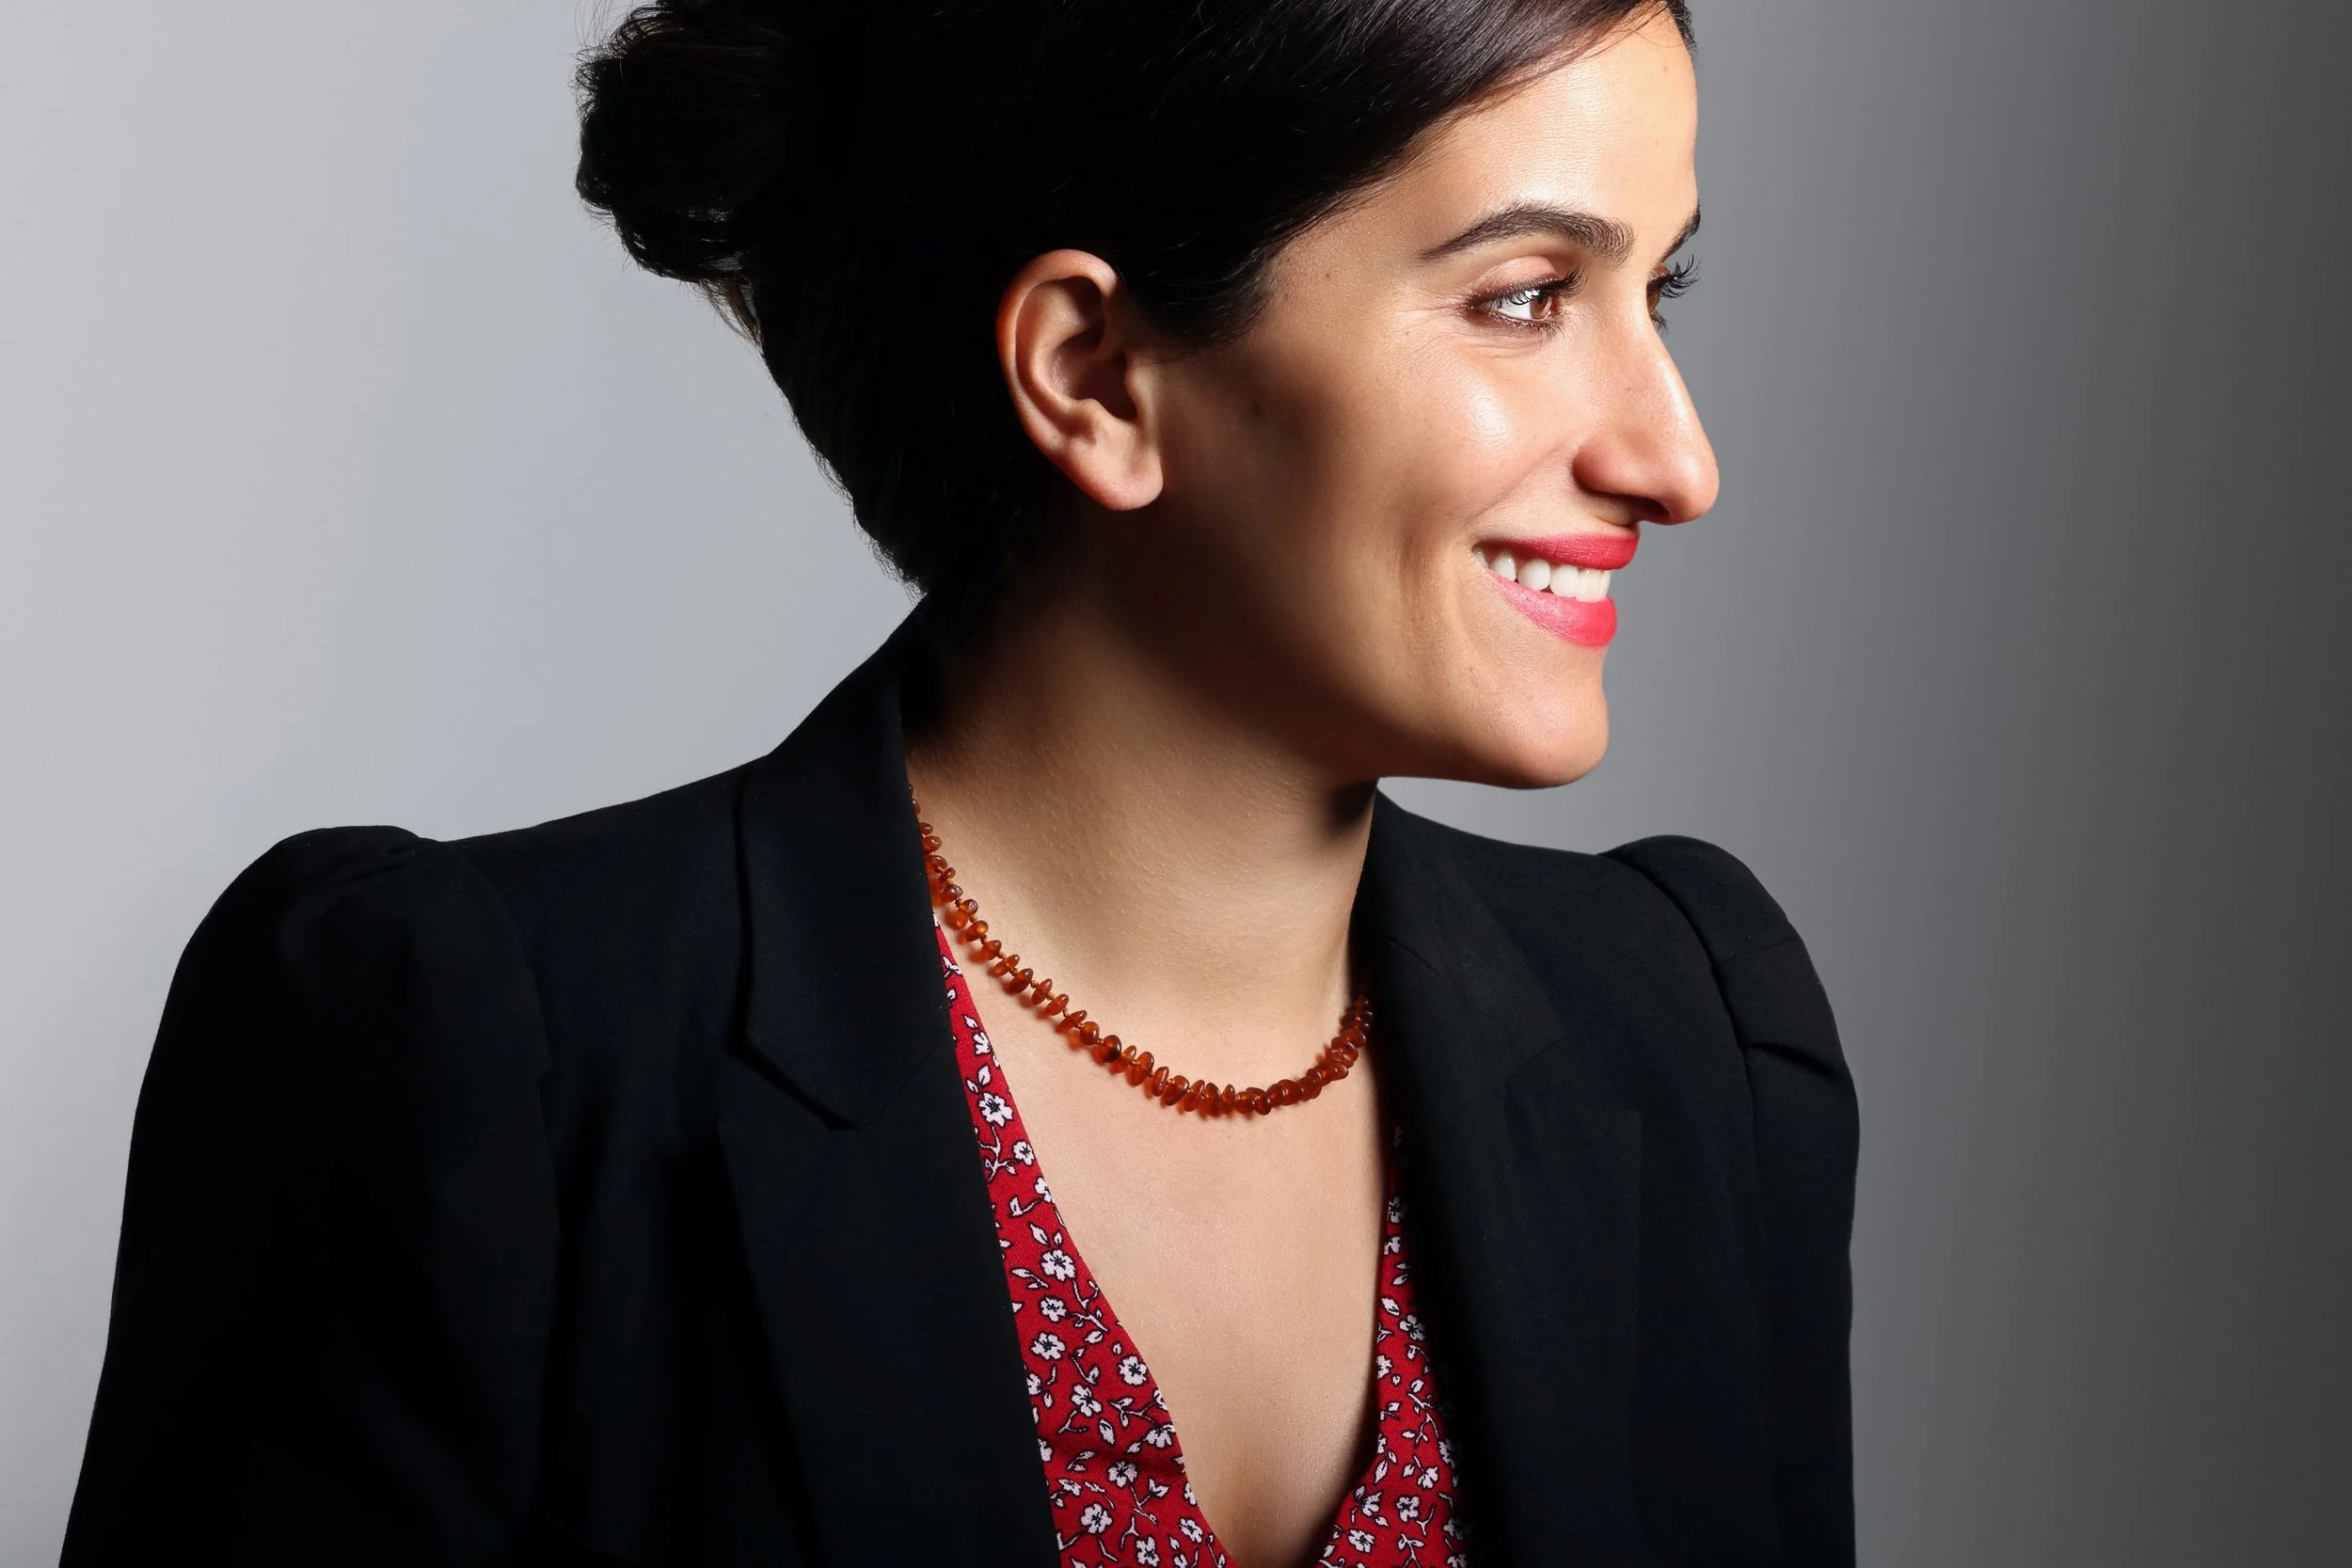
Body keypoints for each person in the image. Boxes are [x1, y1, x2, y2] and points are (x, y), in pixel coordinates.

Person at [61, 0, 1856, 1563]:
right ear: (1095, 373)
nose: (1675, 455)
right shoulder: (473, 1054)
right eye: (1528, 296)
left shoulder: (1696, 1035)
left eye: (1660, 284)